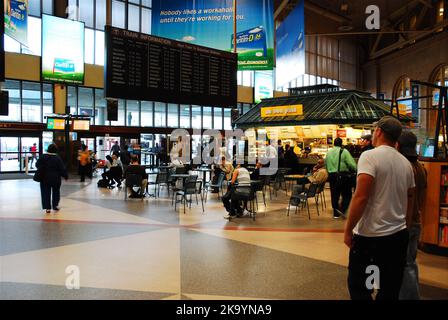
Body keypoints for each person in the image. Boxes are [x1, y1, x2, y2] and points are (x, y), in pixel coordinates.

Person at [344, 116, 415, 300]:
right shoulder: (406, 164)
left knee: (362, 288)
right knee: (389, 289)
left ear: (378, 132)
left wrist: (348, 230)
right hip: (397, 237)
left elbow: (361, 197)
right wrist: (404, 226)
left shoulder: (369, 156)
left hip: (371, 239)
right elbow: (410, 198)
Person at [397, 131, 427, 300]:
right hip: (416, 219)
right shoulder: (420, 167)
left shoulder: (405, 168)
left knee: (406, 264)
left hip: (406, 222)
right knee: (410, 263)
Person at [325, 137, 357, 219]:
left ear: (334, 143)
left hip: (331, 176)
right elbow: (352, 164)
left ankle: (335, 213)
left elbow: (326, 164)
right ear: (341, 144)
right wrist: (356, 169)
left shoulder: (328, 152)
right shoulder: (344, 151)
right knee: (347, 194)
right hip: (342, 176)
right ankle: (342, 210)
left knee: (334, 194)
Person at [36, 144, 68, 214]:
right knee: (56, 192)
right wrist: (65, 176)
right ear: (55, 150)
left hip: (44, 178)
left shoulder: (43, 157)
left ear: (48, 149)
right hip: (55, 178)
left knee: (45, 192)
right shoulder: (57, 158)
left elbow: (37, 165)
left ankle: (47, 208)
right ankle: (55, 206)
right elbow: (62, 168)